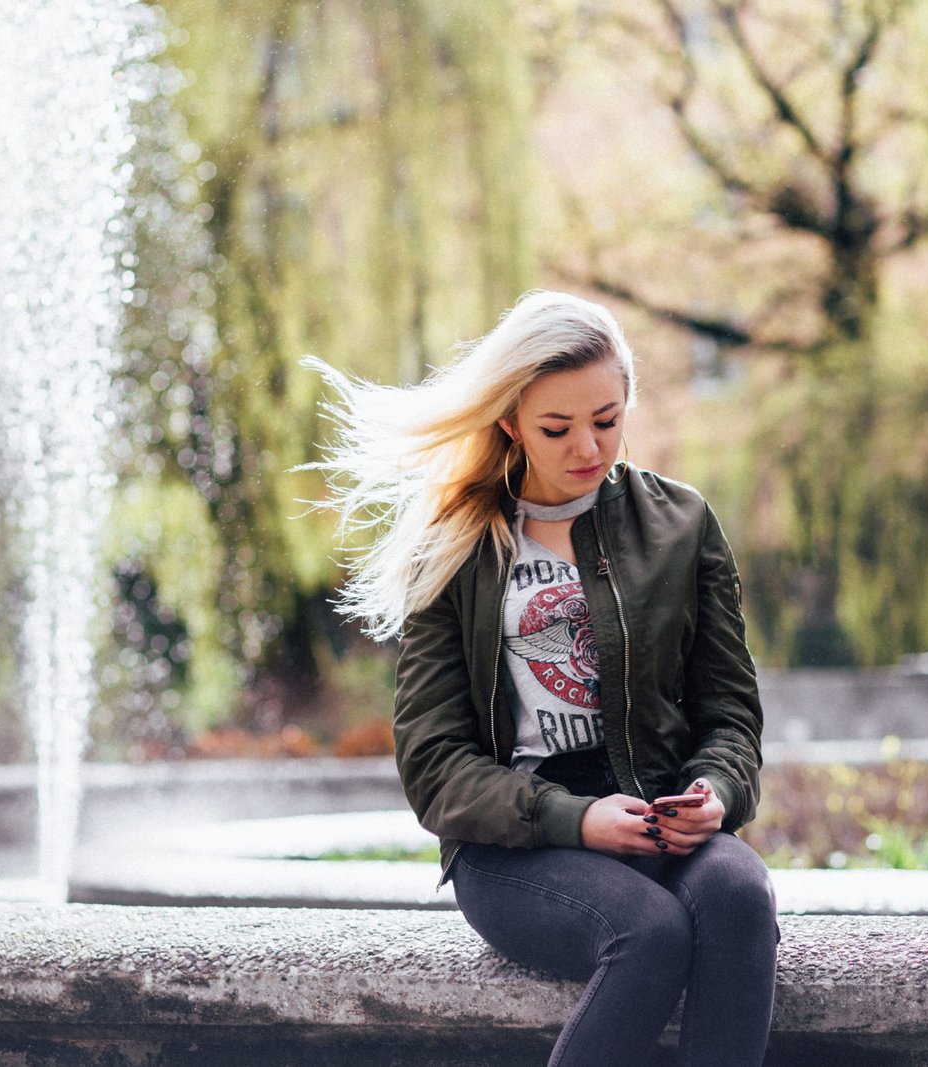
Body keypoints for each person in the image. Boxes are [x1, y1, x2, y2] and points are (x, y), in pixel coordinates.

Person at [305, 290, 777, 1066]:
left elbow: (730, 717)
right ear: (511, 423)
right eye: (558, 427)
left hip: (655, 808)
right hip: (515, 840)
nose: (588, 445)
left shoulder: (682, 525)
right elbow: (433, 765)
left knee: (740, 895)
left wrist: (715, 793)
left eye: (608, 418)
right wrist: (576, 819)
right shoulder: (456, 549)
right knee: (649, 932)